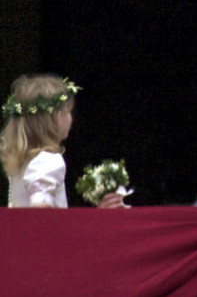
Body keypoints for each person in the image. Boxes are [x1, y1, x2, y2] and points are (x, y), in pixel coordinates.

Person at [2, 75, 123, 208]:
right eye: (68, 111)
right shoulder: (47, 160)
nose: (71, 118)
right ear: (59, 118)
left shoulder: (22, 162)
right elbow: (40, 216)